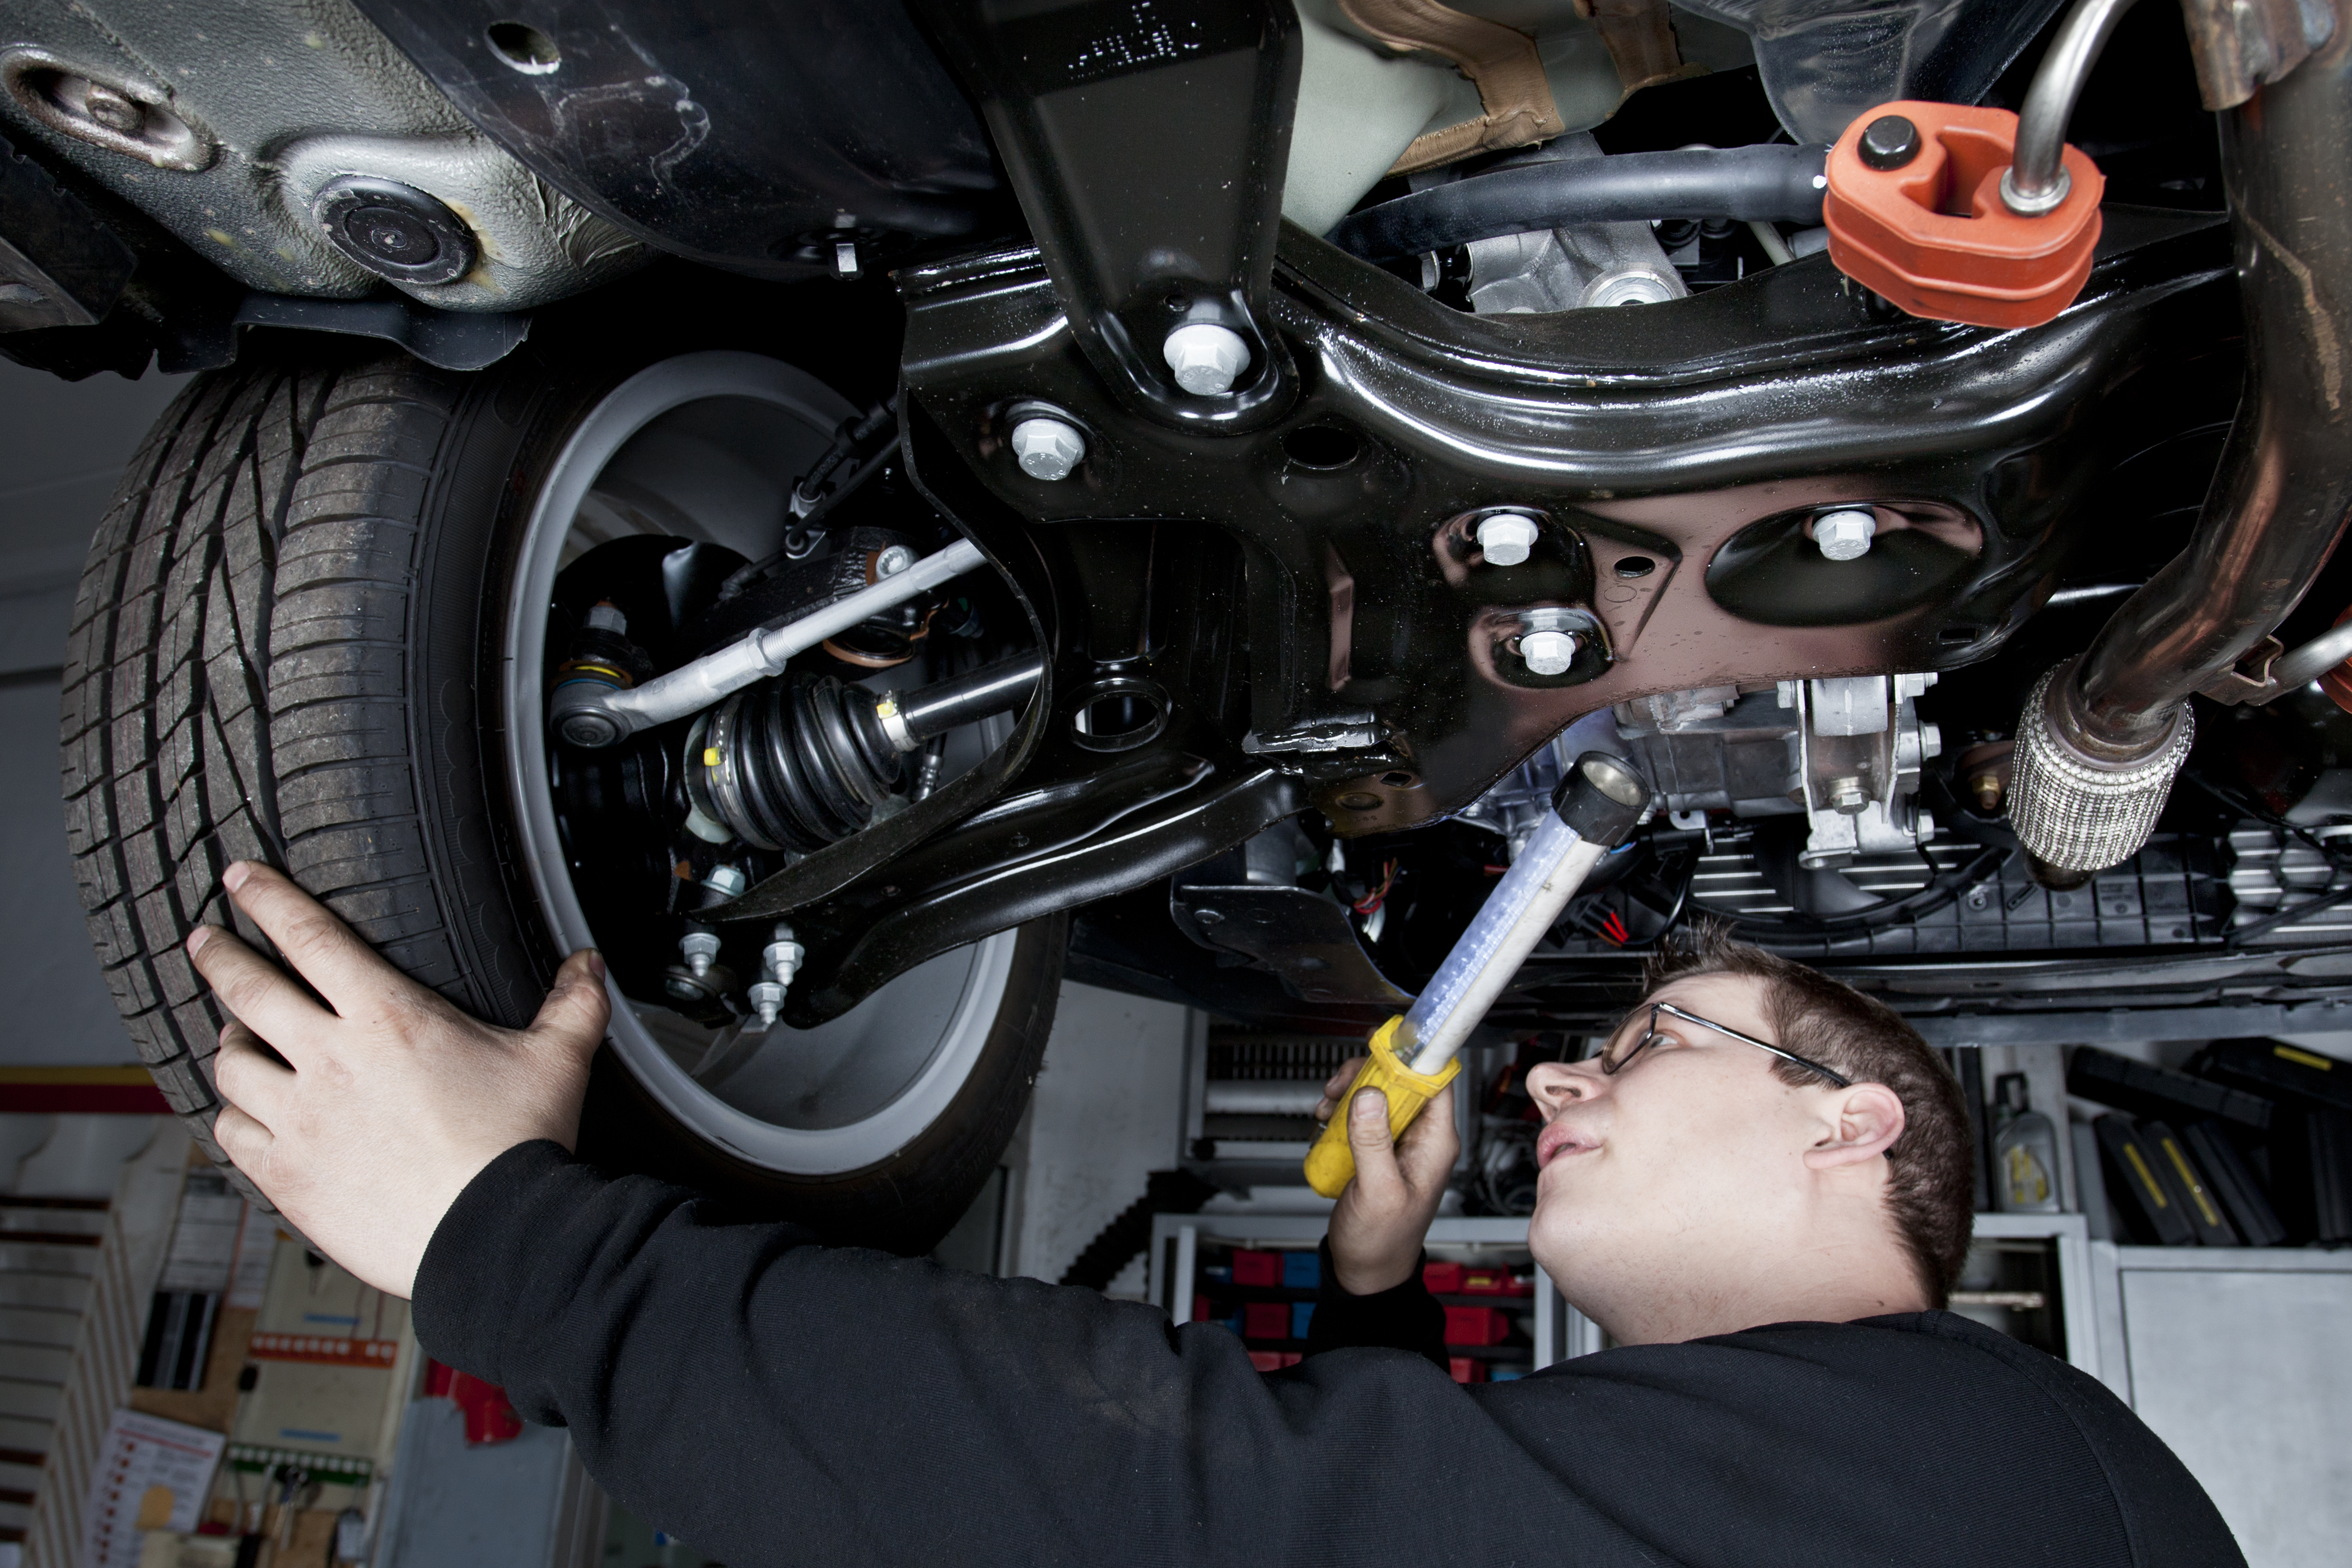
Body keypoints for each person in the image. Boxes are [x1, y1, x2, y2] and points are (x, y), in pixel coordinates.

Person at [186, 860, 2241, 1567]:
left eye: (1653, 1039)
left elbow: (1212, 1517)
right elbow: (1418, 1514)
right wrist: (1379, 1283)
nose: (1554, 1078)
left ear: (1852, 1127)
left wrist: (507, 1238)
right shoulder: (1972, 1474)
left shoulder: (1998, 1472)